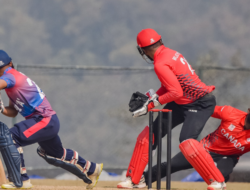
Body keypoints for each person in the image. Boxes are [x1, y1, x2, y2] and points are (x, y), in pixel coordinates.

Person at [117, 28, 217, 188]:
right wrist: (153, 97)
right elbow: (170, 86)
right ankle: (135, 179)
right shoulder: (170, 53)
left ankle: (216, 180)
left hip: (200, 103)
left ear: (142, 50)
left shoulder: (160, 63)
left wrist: (151, 104)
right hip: (182, 103)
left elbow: (175, 92)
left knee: (187, 141)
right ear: (160, 41)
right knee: (150, 136)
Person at [0, 50, 103, 189]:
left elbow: (4, 80)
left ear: (10, 64)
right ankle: (92, 169)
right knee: (55, 153)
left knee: (10, 137)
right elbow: (13, 112)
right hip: (47, 121)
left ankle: (21, 180)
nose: (2, 72)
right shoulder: (12, 84)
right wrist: (2, 109)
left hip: (43, 120)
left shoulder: (11, 75)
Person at [142, 105, 250, 190]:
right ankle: (141, 181)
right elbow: (205, 111)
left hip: (229, 156)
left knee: (219, 175)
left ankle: (222, 181)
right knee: (171, 165)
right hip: (204, 148)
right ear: (249, 110)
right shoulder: (230, 112)